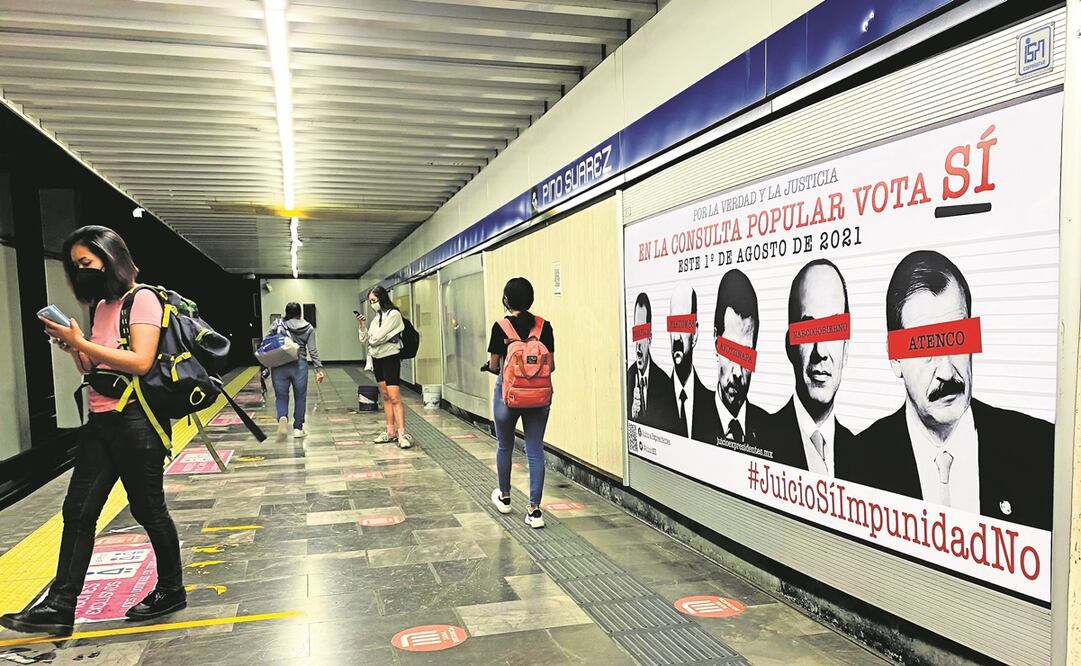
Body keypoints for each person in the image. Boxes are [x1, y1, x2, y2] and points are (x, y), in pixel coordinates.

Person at [0, 226, 185, 637]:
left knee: (148, 510)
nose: (81, 271)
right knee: (78, 512)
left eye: (87, 263)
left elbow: (138, 361)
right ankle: (60, 606)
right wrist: (75, 348)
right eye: (75, 266)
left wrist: (82, 342)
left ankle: (172, 589)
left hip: (137, 422)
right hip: (101, 421)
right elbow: (94, 368)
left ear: (110, 257)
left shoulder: (143, 299)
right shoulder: (102, 305)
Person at [853, 250, 1053, 530]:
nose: (947, 372)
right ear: (894, 358)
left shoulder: (1040, 450)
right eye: (923, 345)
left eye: (958, 338)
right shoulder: (858, 462)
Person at [770, 259, 856, 474]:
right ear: (789, 346)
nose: (821, 352)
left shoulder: (863, 454)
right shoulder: (761, 438)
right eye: (808, 329)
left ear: (846, 349)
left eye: (834, 330)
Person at [487, 277, 555, 528]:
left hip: (508, 396)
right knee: (535, 449)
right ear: (531, 300)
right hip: (539, 397)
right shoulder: (544, 327)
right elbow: (552, 366)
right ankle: (535, 511)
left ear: (506, 300)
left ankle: (504, 497)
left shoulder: (501, 327)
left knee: (504, 446)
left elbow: (495, 366)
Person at [697, 269, 770, 452]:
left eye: (745, 355)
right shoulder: (691, 420)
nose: (737, 373)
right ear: (716, 343)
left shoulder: (770, 433)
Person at [357, 286, 413, 448]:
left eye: (374, 300)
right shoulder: (376, 318)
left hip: (390, 358)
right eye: (370, 302)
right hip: (377, 359)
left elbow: (375, 339)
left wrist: (373, 338)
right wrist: (362, 326)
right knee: (385, 396)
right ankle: (390, 432)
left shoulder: (394, 315)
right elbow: (365, 340)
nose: (373, 304)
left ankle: (402, 434)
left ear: (382, 298)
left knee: (395, 397)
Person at [660, 284, 713, 440]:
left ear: (694, 334)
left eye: (682, 324)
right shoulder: (655, 400)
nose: (676, 338)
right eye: (672, 325)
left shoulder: (713, 407)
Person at [270, 302, 324, 439]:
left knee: (281, 396)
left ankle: (282, 417)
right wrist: (319, 369)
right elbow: (312, 350)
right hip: (299, 364)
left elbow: (267, 342)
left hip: (279, 364)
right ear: (300, 313)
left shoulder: (278, 324)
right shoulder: (308, 328)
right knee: (300, 397)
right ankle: (298, 429)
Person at [626, 292, 678, 430]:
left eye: (642, 333)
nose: (638, 344)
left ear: (650, 338)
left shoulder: (665, 384)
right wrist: (632, 417)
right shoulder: (627, 379)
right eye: (636, 332)